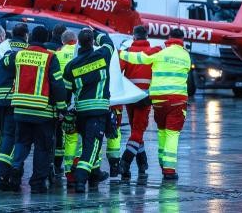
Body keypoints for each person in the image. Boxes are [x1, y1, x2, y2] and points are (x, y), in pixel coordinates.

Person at [119, 28, 191, 180]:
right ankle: (164, 168)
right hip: (164, 99)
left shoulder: (158, 51)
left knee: (149, 131)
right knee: (163, 133)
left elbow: (135, 61)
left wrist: (118, 53)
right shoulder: (185, 55)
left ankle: (147, 162)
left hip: (147, 99)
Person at [7, 26, 67, 193]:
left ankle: (15, 169)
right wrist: (62, 107)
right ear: (46, 38)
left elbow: (6, 67)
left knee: (21, 143)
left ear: (31, 37)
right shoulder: (50, 57)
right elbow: (57, 83)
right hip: (42, 111)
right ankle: (37, 183)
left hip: (20, 110)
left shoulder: (19, 55)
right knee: (42, 148)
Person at [63, 28, 115, 192]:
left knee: (89, 143)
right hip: (98, 110)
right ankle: (80, 178)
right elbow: (109, 43)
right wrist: (97, 32)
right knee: (91, 147)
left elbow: (66, 93)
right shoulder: (103, 55)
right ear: (92, 42)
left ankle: (95, 173)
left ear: (78, 43)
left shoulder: (71, 65)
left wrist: (64, 112)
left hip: (81, 112)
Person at [119, 25, 161, 179]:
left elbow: (118, 71)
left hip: (130, 96)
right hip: (145, 96)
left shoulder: (127, 52)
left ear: (134, 37)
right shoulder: (154, 52)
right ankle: (125, 162)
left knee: (136, 130)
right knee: (138, 131)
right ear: (147, 37)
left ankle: (142, 164)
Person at [0, 23, 30, 190]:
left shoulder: (3, 46)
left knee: (1, 135)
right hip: (13, 98)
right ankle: (0, 176)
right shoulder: (28, 50)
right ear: (26, 35)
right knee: (11, 137)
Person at [55, 30, 79, 183]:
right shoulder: (80, 54)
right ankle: (76, 167)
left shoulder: (57, 55)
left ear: (62, 42)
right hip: (80, 100)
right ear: (75, 40)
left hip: (63, 101)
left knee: (63, 135)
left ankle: (61, 166)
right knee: (79, 137)